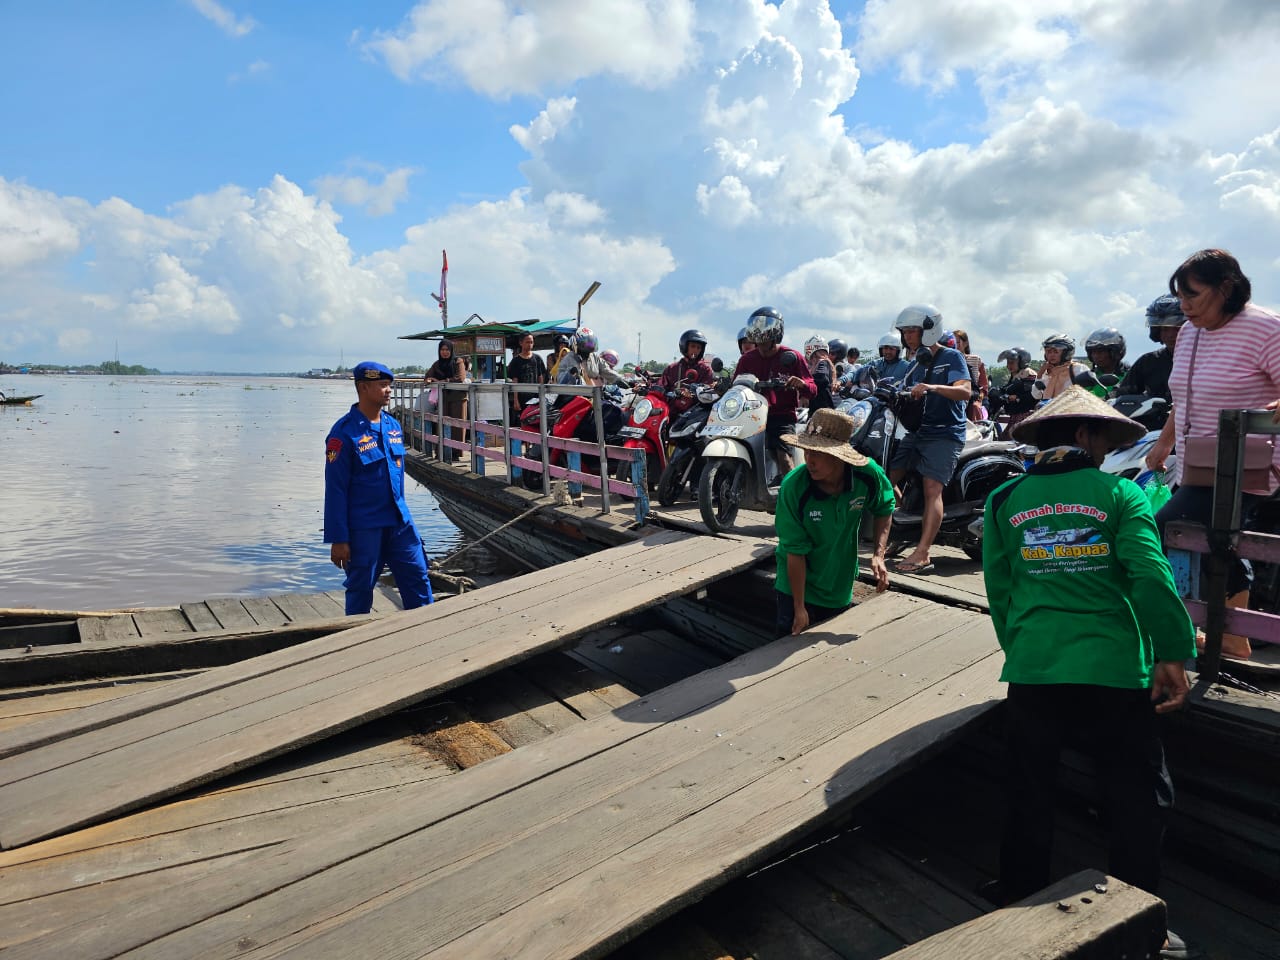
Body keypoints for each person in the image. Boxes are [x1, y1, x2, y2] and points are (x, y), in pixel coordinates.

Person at [982, 387, 1194, 959]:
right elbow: (1150, 576)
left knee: (1029, 792)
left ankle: (1016, 899)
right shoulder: (1121, 493)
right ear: (1082, 436)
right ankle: (1139, 923)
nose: (1106, 449)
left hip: (1034, 669)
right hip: (1115, 674)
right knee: (1137, 800)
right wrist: (1171, 653)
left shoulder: (1003, 499)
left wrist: (1022, 650)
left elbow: (1000, 592)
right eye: (1102, 438)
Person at [1146, 248, 1280, 660]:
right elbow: (1182, 397)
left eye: (1193, 296)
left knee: (1166, 525)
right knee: (1218, 537)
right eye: (1180, 298)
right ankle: (1233, 635)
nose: (1184, 307)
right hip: (1198, 462)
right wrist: (1164, 442)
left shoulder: (1265, 328)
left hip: (1248, 465)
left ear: (1226, 288)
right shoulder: (1191, 332)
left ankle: (1188, 631)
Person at [324, 362, 434, 616]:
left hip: (399, 523)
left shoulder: (393, 427)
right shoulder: (343, 434)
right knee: (360, 589)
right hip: (365, 527)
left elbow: (397, 481)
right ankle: (356, 648)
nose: (388, 390)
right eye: (382, 385)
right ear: (363, 387)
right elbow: (336, 489)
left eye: (389, 385)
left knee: (418, 579)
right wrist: (338, 538)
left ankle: (428, 638)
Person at [774, 408, 894, 636]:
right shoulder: (794, 487)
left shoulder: (868, 474)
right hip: (796, 589)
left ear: (839, 454)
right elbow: (794, 551)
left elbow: (885, 507)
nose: (809, 460)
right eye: (807, 451)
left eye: (817, 453)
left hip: (839, 584)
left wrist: (878, 555)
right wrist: (799, 608)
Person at [887, 304, 971, 575]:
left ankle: (923, 552)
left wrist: (934, 388)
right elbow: (899, 388)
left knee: (932, 488)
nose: (908, 337)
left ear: (928, 330)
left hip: (945, 432)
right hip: (918, 431)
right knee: (886, 479)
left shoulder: (951, 357)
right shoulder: (915, 364)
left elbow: (965, 391)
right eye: (905, 332)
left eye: (912, 331)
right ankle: (892, 534)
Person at [734, 306, 816, 475]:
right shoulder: (747, 359)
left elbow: (812, 388)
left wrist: (802, 384)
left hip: (781, 415)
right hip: (750, 413)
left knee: (783, 458)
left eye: (765, 336)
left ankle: (793, 496)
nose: (761, 342)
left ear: (775, 333)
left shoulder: (792, 356)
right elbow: (735, 384)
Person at [1116, 295, 1185, 402]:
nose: (1171, 335)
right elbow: (1123, 395)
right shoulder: (1147, 362)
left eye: (1177, 329)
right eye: (1165, 329)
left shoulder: (1202, 360)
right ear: (1157, 332)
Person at [424, 339, 467, 462]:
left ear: (451, 350)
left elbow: (460, 378)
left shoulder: (458, 361)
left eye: (447, 349)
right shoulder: (437, 364)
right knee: (442, 424)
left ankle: (455, 453)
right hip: (443, 398)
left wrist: (441, 381)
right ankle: (441, 451)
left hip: (458, 398)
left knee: (457, 426)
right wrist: (429, 380)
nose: (445, 352)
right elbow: (428, 376)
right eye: (442, 350)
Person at [660, 329, 716, 416]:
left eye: (698, 348)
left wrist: (694, 393)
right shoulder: (672, 368)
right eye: (693, 346)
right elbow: (661, 386)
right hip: (671, 413)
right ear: (685, 346)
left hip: (694, 415)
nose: (696, 350)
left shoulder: (705, 370)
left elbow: (708, 391)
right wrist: (644, 386)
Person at [1031, 333, 1101, 400]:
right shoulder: (1048, 372)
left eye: (1055, 352)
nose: (1051, 355)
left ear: (1066, 353)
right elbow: (1036, 395)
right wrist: (1040, 375)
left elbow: (1088, 393)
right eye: (1048, 352)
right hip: (1050, 411)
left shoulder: (1077, 369)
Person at [556, 326, 629, 388]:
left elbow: (608, 371)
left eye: (591, 343)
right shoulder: (570, 358)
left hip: (593, 394)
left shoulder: (595, 358)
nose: (589, 346)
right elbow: (565, 379)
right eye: (586, 343)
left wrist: (626, 381)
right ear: (576, 342)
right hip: (574, 396)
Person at [839, 333, 911, 391]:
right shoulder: (876, 363)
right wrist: (841, 381)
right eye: (885, 348)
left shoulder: (906, 366)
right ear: (881, 350)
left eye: (891, 349)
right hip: (873, 400)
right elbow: (856, 372)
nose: (888, 351)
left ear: (898, 351)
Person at [993, 347, 1038, 439]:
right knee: (1004, 440)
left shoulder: (1027, 373)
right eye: (1008, 362)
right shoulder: (1015, 375)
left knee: (1011, 440)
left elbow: (1033, 394)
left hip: (1025, 415)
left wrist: (1017, 397)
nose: (1009, 365)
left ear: (1021, 362)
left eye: (1012, 362)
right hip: (1015, 414)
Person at [507, 332, 547, 418]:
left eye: (531, 342)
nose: (530, 345)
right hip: (522, 398)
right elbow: (515, 381)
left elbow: (540, 378)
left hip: (535, 398)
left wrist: (542, 396)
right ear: (521, 343)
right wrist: (515, 400)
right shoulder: (516, 361)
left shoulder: (537, 359)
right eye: (527, 342)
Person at [952, 329, 989, 421]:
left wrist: (980, 395)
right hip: (952, 392)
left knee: (974, 407)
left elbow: (983, 384)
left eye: (957, 342)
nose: (955, 346)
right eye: (953, 343)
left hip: (972, 393)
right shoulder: (947, 360)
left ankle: (975, 430)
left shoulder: (975, 360)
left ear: (965, 343)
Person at [803, 336, 837, 412]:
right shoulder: (818, 363)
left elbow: (822, 378)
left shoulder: (823, 362)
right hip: (817, 407)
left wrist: (804, 384)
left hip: (821, 408)